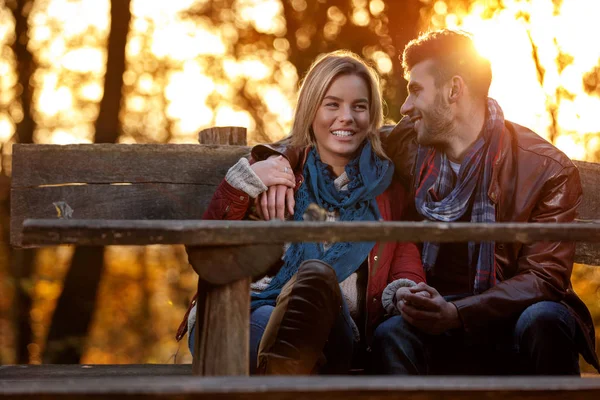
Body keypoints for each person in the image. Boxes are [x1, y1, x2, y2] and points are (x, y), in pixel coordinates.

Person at [251, 30, 599, 375]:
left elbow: (544, 278)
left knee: (546, 318)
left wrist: (460, 312)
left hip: (509, 320)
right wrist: (275, 160)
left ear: (454, 90)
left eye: (415, 90)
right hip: (431, 318)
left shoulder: (545, 168)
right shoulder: (410, 143)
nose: (404, 107)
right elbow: (332, 137)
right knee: (392, 333)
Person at [176, 50, 425, 375]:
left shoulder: (386, 188)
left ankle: (285, 375)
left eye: (359, 106)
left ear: (372, 114)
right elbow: (208, 252)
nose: (346, 117)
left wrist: (405, 290)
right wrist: (241, 185)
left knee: (317, 283)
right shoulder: (268, 171)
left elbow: (402, 252)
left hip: (336, 328)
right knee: (273, 327)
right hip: (242, 312)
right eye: (332, 104)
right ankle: (289, 375)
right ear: (311, 109)